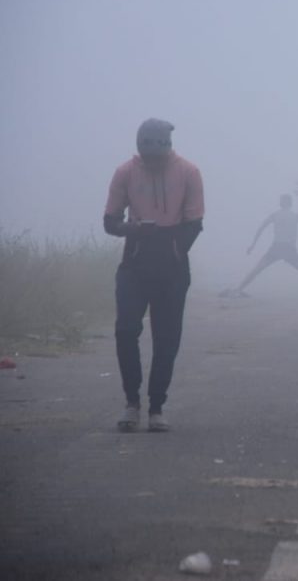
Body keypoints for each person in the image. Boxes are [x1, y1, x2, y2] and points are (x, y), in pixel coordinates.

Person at [103, 118, 204, 432]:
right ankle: (131, 403)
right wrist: (131, 229)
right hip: (135, 261)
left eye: (158, 158)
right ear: (140, 150)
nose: (153, 163)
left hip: (172, 266)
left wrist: (174, 248)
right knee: (125, 330)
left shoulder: (189, 172)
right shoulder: (126, 172)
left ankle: (157, 406)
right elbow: (109, 222)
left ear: (168, 149)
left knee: (166, 338)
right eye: (148, 158)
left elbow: (195, 223)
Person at [230, 194, 298, 295]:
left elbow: (261, 228)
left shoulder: (275, 215)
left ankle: (238, 289)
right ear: (290, 204)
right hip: (289, 248)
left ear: (281, 203)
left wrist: (253, 245)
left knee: (257, 269)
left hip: (277, 247)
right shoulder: (296, 216)